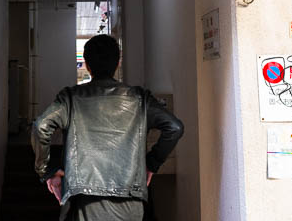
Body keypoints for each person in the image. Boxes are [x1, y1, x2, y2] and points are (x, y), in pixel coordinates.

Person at [31, 35, 184, 221]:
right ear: (118, 63)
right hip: (131, 200)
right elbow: (174, 127)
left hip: (84, 201)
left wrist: (46, 170)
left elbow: (41, 127)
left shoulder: (71, 98)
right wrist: (151, 164)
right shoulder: (139, 99)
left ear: (87, 65)